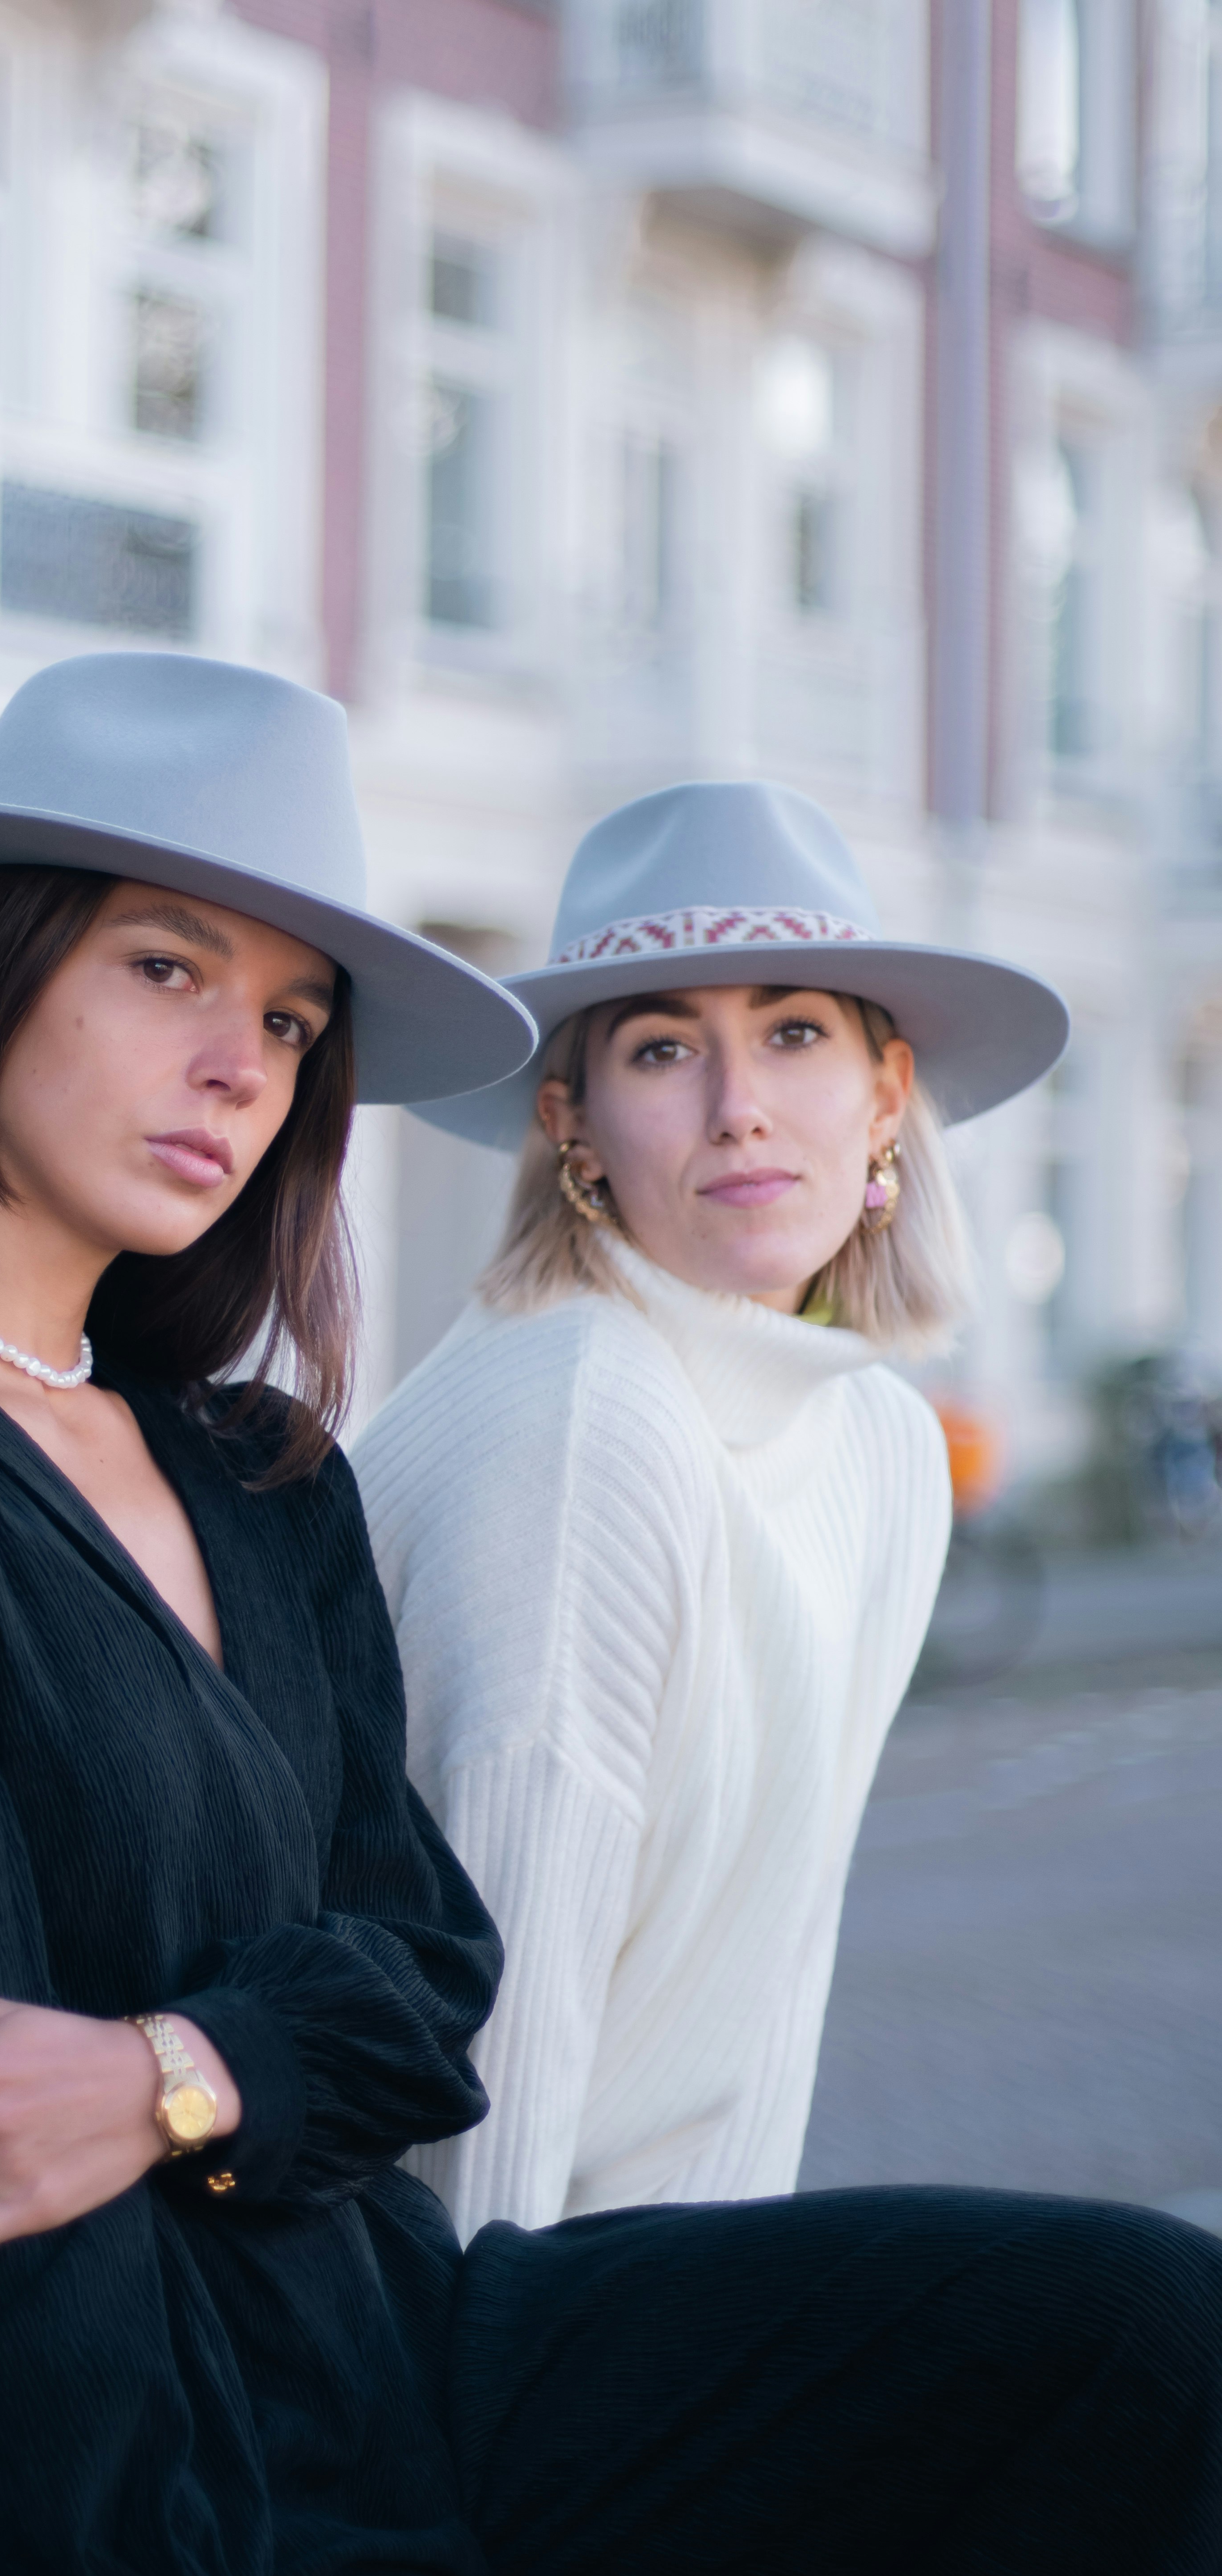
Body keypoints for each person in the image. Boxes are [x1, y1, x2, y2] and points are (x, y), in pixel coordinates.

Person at [0, 673, 1222, 2576]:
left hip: (423, 2349)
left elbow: (421, 1990)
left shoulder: (252, 1466)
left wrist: (175, 2072)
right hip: (148, 2477)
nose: (242, 1066)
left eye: (292, 1021)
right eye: (164, 971)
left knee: (1142, 2342)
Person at [354, 781, 1069, 2239]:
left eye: (794, 1032)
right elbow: (481, 2046)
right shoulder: (576, 1415)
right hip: (450, 2318)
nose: (740, 1107)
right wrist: (490, 2444)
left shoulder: (877, 1441)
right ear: (576, 1124)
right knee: (1138, 2330)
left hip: (656, 2289)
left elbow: (756, 2008)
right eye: (666, 1048)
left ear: (884, 1092)